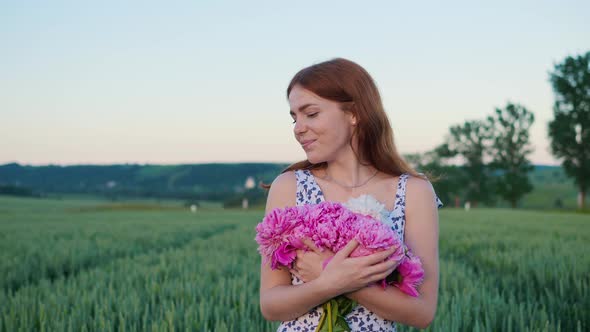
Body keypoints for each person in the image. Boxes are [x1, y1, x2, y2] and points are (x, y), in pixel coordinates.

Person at [259, 58, 442, 331]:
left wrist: (333, 276)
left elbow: (422, 312)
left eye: (310, 114)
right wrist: (328, 283)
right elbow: (271, 305)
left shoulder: (414, 191)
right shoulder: (288, 186)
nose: (298, 128)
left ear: (354, 113)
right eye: (294, 117)